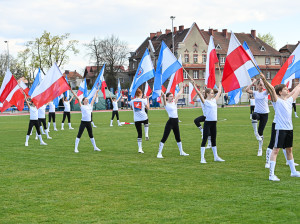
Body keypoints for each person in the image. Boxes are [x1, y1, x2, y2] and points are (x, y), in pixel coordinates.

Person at [260, 74, 300, 181]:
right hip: (280, 129)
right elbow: (272, 89)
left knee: (289, 150)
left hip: (289, 129)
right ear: (280, 92)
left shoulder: (290, 100)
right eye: (285, 89)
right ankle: (271, 175)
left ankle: (293, 172)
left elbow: (298, 89)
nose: (288, 90)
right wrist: (264, 79)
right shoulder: (276, 101)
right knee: (276, 150)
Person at [192, 80, 225, 163]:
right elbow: (199, 94)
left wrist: (220, 83)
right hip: (208, 123)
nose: (212, 94)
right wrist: (194, 85)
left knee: (213, 140)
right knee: (204, 140)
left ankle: (216, 157)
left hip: (214, 123)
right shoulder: (205, 101)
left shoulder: (214, 101)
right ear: (207, 94)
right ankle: (202, 158)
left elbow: (220, 91)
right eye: (211, 93)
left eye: (213, 93)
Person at [157, 88, 189, 158]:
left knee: (178, 137)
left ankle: (181, 152)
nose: (172, 97)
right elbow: (163, 96)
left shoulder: (174, 102)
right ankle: (159, 153)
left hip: (176, 122)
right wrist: (161, 90)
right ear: (167, 97)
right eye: (171, 96)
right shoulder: (166, 104)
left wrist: (182, 86)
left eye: (172, 96)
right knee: (164, 137)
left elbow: (179, 94)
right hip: (170, 122)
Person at [71, 89, 101, 153]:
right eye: (86, 99)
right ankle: (75, 148)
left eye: (87, 99)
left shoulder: (90, 106)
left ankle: (95, 147)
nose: (87, 100)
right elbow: (77, 98)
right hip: (83, 122)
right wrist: (72, 92)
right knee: (79, 134)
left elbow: (93, 98)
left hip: (89, 123)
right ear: (83, 101)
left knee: (91, 135)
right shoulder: (82, 106)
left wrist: (96, 92)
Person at [246, 78, 269, 156]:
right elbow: (247, 89)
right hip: (258, 112)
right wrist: (253, 82)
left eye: (262, 85)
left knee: (261, 132)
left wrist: (264, 81)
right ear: (257, 86)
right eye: (260, 85)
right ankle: (255, 133)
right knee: (254, 115)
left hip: (265, 114)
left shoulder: (265, 92)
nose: (261, 86)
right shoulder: (255, 93)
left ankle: (260, 149)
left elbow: (270, 89)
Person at [129, 88, 149, 153]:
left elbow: (131, 109)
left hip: (136, 119)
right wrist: (147, 99)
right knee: (146, 121)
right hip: (143, 117)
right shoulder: (143, 100)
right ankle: (146, 134)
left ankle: (140, 149)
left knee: (139, 134)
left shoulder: (132, 101)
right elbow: (148, 108)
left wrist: (132, 101)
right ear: (140, 94)